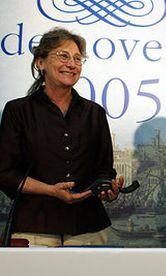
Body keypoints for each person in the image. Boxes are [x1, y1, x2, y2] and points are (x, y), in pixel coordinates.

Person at [0, 27, 123, 246]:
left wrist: (108, 190)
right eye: (63, 56)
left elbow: (104, 171)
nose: (72, 64)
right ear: (40, 62)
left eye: (78, 59)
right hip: (35, 228)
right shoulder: (17, 110)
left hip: (89, 229)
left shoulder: (94, 113)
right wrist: (49, 190)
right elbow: (5, 173)